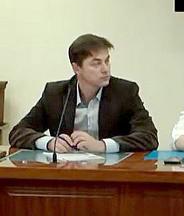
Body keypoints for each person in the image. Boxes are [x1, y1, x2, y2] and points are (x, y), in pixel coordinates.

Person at [9, 34, 158, 152]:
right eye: (96, 63)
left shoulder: (125, 92)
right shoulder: (55, 94)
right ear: (76, 68)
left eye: (107, 61)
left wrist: (102, 146)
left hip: (112, 174)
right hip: (66, 172)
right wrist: (48, 142)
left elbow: (149, 136)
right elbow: (18, 132)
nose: (105, 69)